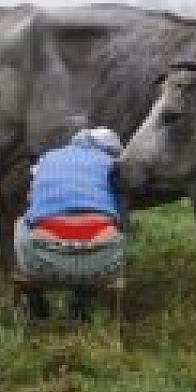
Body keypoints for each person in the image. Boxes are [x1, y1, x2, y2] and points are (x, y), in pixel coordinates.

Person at [14, 126, 127, 319]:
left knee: (23, 221)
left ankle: (36, 302)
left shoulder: (47, 158)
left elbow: (31, 201)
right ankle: (83, 302)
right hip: (102, 265)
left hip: (40, 263)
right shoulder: (113, 166)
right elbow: (122, 218)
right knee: (113, 227)